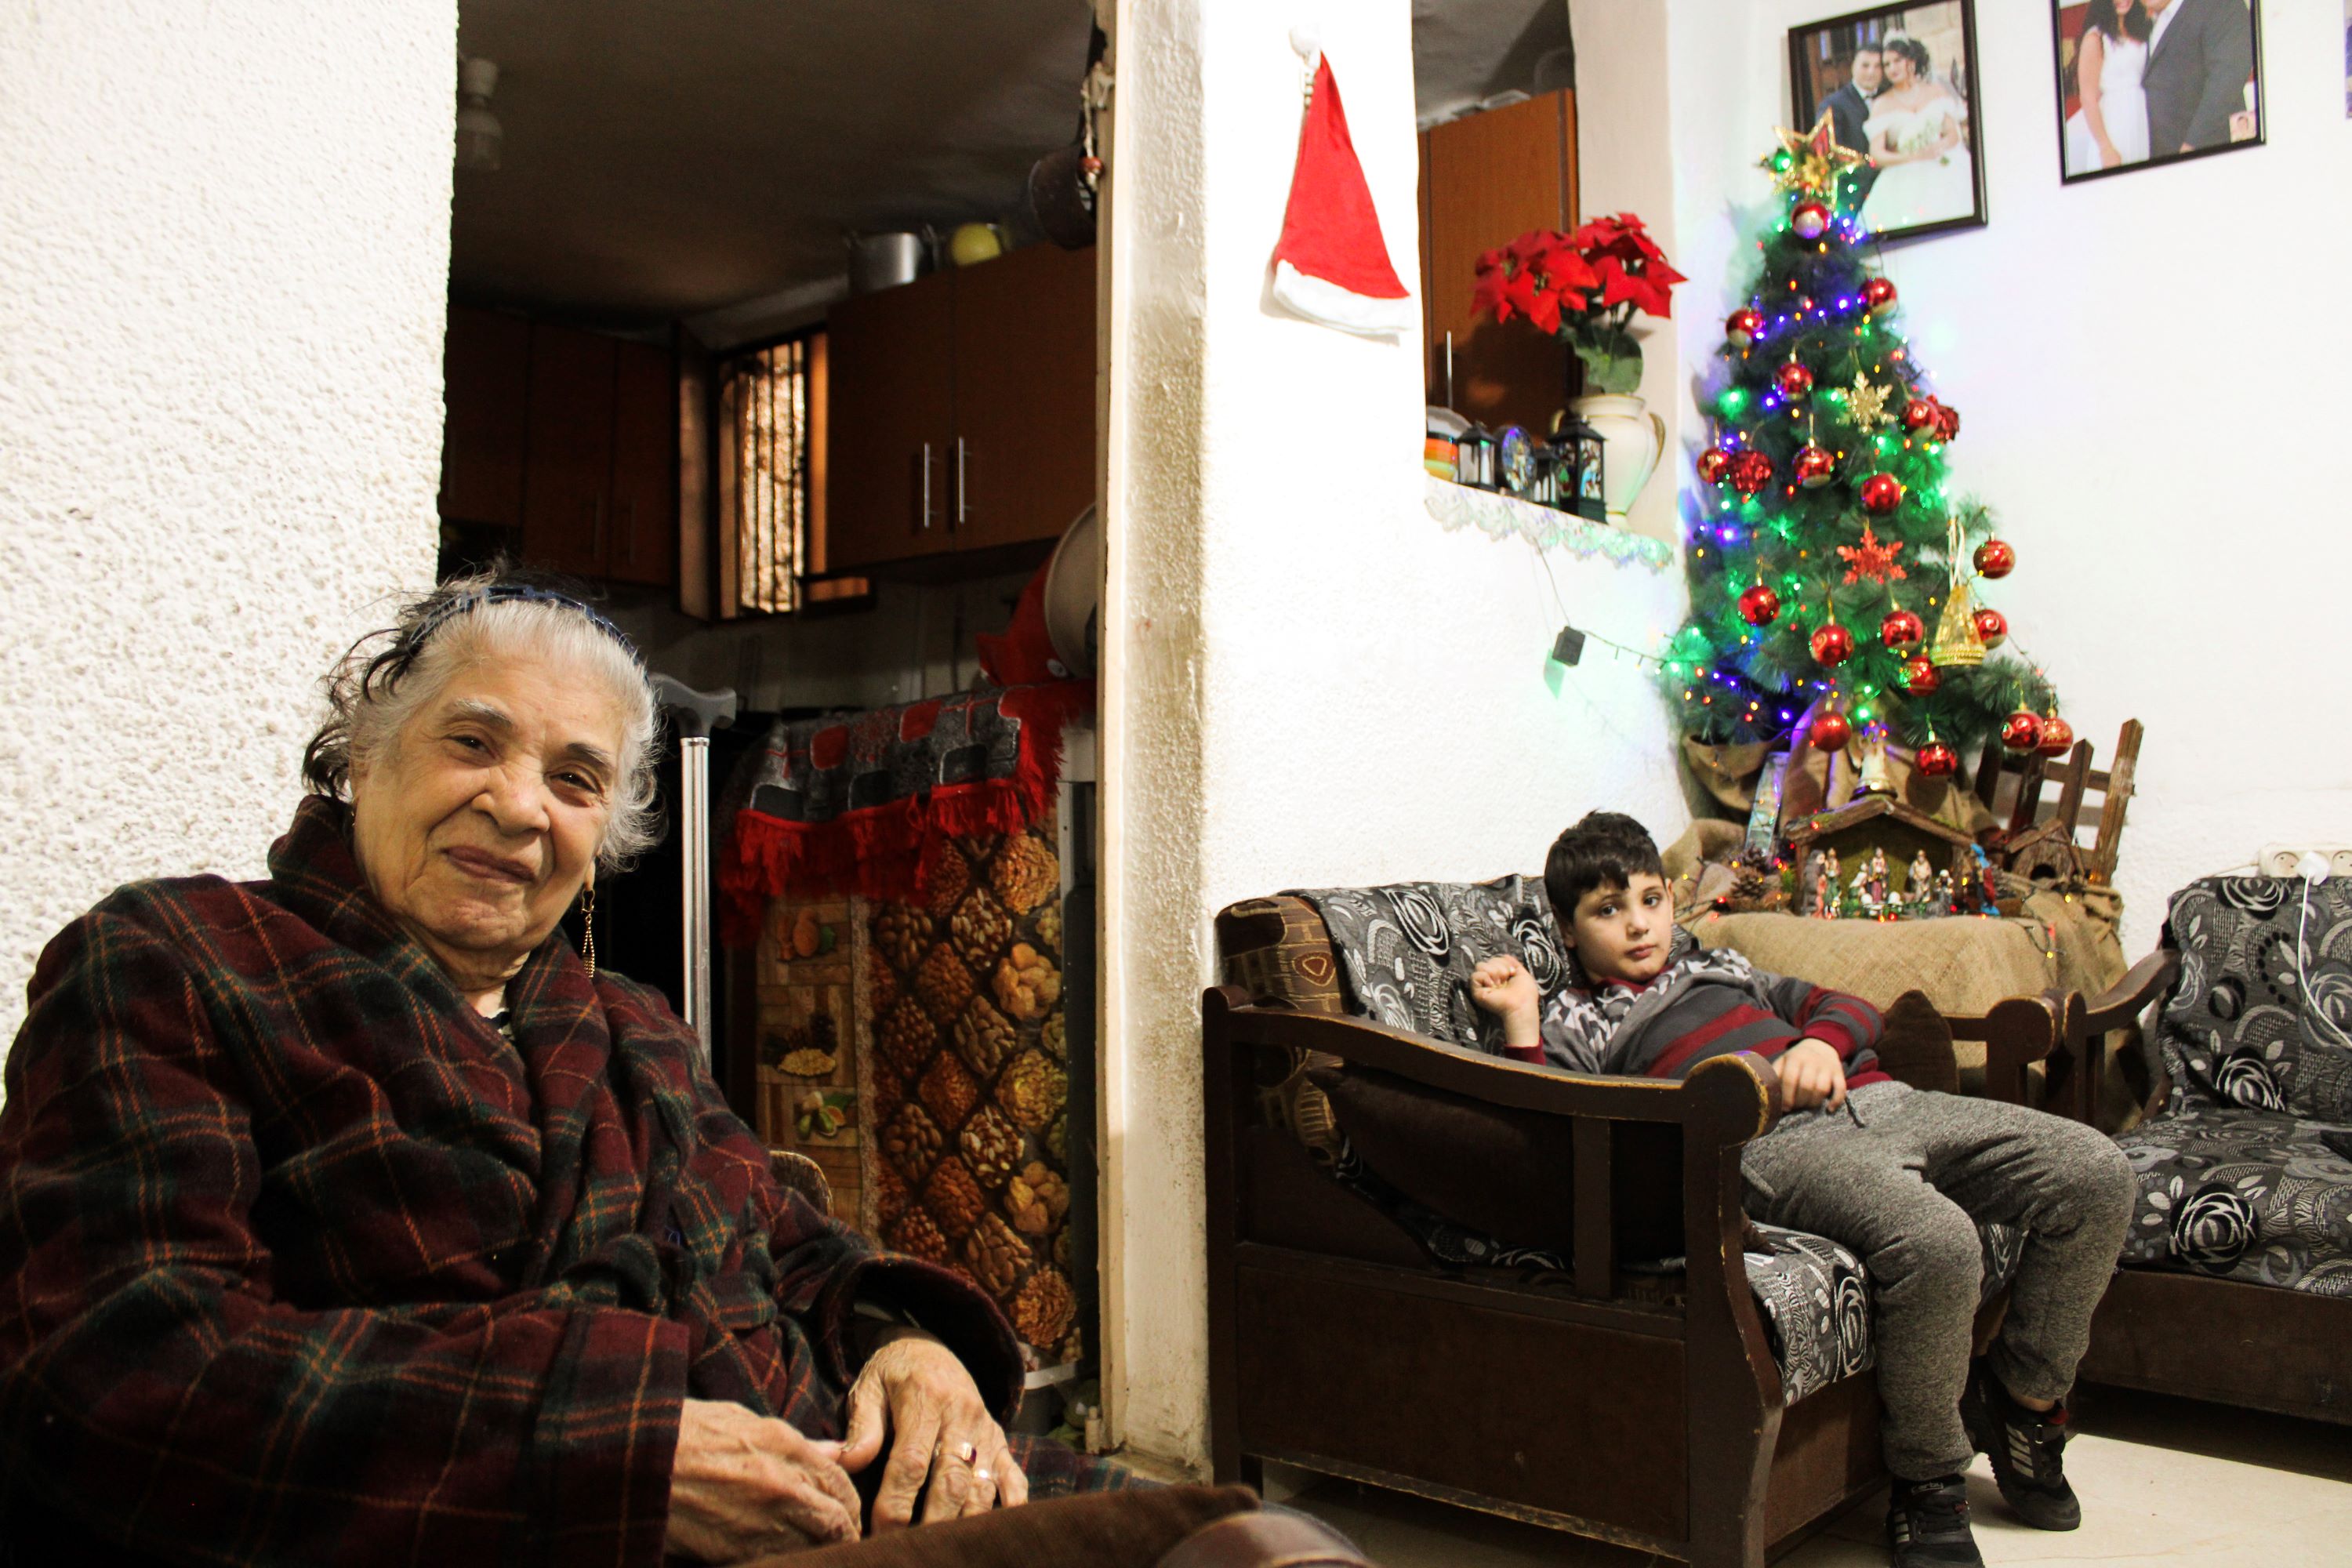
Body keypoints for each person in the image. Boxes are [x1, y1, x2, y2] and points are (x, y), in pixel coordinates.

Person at [0, 575, 1118, 1565]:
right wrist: (607, 1461)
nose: (522, 804)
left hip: (829, 1480)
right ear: (363, 753)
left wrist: (912, 1349)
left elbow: (800, 1252)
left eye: (576, 779)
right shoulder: (176, 961)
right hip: (533, 1529)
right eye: (473, 743)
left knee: (1242, 1537)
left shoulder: (632, 1026)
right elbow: (129, 1365)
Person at [1468, 812, 2136, 1568]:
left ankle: (2024, 1403)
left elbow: (1847, 1007)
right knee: (1936, 1241)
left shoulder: (1720, 967)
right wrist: (1521, 1017)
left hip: (1886, 1100)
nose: (1638, 926)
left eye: (1651, 899)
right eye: (1607, 910)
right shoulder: (1581, 1019)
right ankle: (1928, 1483)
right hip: (1776, 1144)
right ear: (1566, 928)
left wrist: (1821, 1041)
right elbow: (1551, 1124)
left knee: (2097, 1172)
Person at [1860, 35, 1975, 235]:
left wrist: (1935, 149)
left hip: (1942, 162)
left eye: (1897, 61)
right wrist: (1912, 157)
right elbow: (1877, 154)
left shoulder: (1935, 90)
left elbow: (1952, 134)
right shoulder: (1882, 104)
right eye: (1887, 64)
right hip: (1903, 173)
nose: (1892, 68)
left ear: (1911, 62)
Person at [2140, 0, 2255, 158]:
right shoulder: (2147, 17)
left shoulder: (2220, 4)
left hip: (2208, 152)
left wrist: (2193, 143)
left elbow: (2227, 79)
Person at [2063, 1, 2153, 175]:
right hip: (2114, 122)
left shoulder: (2140, 29)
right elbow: (2088, 98)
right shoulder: (2096, 37)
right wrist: (2105, 147)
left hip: (2141, 118)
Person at [1822, 43, 1884, 155]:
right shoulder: (1834, 103)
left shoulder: (1888, 97)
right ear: (1853, 67)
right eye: (1865, 66)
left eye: (1877, 66)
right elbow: (1832, 150)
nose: (1871, 72)